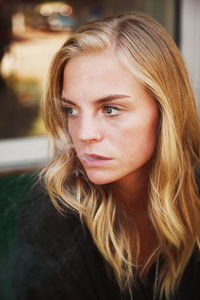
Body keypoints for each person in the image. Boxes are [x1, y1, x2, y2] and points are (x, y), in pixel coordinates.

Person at [14, 12, 200, 300]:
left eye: (110, 108)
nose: (84, 133)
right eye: (70, 110)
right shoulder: (54, 211)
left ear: (166, 112)